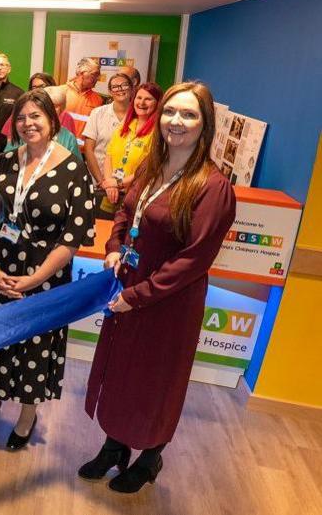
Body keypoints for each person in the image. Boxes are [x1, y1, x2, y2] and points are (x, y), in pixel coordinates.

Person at [81, 82, 236, 493]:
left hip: (168, 301)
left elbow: (193, 259)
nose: (176, 121)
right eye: (170, 112)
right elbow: (125, 211)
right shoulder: (152, 165)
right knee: (121, 370)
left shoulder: (212, 186)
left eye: (188, 114)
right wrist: (115, 247)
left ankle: (150, 456)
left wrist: (137, 296)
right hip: (130, 285)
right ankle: (115, 445)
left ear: (205, 124)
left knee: (156, 380)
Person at [0, 89, 95, 451]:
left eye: (36, 116)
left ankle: (26, 413)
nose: (28, 123)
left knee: (33, 347)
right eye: (21, 117)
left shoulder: (74, 169)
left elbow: (73, 238)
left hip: (43, 278)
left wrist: (35, 279)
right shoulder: (3, 163)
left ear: (52, 121)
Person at [101, 82, 164, 214]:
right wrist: (110, 183)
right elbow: (109, 156)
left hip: (135, 197)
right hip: (111, 194)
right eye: (139, 97)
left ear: (157, 103)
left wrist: (118, 183)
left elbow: (149, 169)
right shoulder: (124, 127)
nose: (142, 102)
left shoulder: (158, 134)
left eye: (148, 99)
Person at [83, 73, 134, 197]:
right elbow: (88, 150)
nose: (120, 89)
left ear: (132, 89)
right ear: (110, 91)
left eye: (124, 85)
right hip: (97, 181)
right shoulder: (97, 113)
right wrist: (102, 182)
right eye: (115, 87)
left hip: (127, 186)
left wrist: (118, 184)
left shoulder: (138, 116)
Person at [3, 86, 82, 161]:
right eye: (48, 105)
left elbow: (76, 165)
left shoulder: (68, 137)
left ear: (62, 108)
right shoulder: (25, 129)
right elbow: (9, 157)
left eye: (55, 106)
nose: (51, 109)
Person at [65, 57, 104, 139]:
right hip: (61, 148)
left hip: (84, 150)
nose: (97, 79)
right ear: (82, 73)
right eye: (94, 74)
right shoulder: (62, 92)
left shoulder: (98, 100)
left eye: (98, 75)